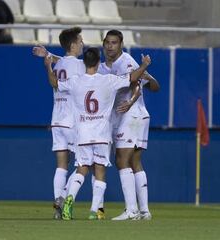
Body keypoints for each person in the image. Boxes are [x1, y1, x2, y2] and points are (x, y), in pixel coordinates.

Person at [44, 47, 151, 220]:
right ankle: (95, 211)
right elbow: (132, 77)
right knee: (100, 172)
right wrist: (144, 65)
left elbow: (54, 83)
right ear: (98, 61)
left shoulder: (75, 81)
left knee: (81, 169)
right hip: (102, 134)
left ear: (84, 62)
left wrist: (48, 67)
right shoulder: (108, 80)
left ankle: (69, 200)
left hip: (83, 133)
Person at [101, 30, 160, 221]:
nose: (110, 46)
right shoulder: (106, 67)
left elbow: (135, 83)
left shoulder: (125, 61)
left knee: (121, 160)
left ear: (121, 44)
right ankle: (144, 211)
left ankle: (131, 210)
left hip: (131, 115)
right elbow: (151, 83)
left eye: (114, 43)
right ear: (103, 44)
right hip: (136, 116)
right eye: (108, 42)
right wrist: (146, 74)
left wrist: (132, 101)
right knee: (135, 162)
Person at [37, 27, 85, 219]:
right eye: (80, 41)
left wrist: (48, 56)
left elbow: (62, 61)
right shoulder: (80, 65)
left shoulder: (59, 65)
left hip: (56, 119)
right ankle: (64, 196)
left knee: (61, 165)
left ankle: (57, 200)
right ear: (73, 45)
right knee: (83, 164)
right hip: (72, 121)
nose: (82, 44)